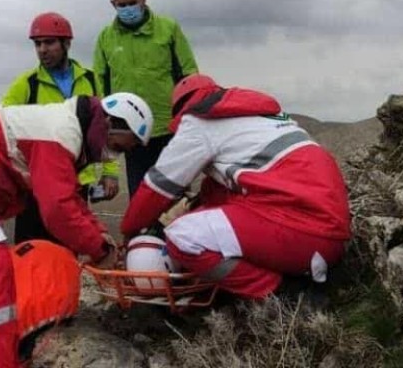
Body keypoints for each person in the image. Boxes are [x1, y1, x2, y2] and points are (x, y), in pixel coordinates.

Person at [0, 92, 153, 368]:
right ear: (111, 124)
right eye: (119, 147)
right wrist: (98, 249)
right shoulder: (61, 133)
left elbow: (71, 198)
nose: (113, 155)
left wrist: (98, 233)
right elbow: (57, 210)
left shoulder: (72, 131)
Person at [120, 75, 351, 300]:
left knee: (183, 238)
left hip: (303, 233)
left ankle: (281, 294)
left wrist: (129, 232)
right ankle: (297, 279)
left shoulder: (199, 122)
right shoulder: (268, 118)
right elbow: (220, 194)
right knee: (214, 214)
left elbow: (158, 187)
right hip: (331, 237)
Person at [2, 11, 120, 244]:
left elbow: (105, 128)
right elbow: (3, 127)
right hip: (36, 184)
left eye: (49, 42)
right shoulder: (27, 84)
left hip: (77, 180)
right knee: (33, 250)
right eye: (37, 44)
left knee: (68, 248)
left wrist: (110, 172)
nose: (42, 50)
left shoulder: (90, 79)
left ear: (67, 43)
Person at [93, 0, 198, 197]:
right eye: (122, 5)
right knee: (140, 197)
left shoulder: (168, 29)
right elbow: (100, 87)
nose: (128, 8)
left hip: (169, 130)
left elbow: (189, 75)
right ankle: (143, 233)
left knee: (175, 199)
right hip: (131, 135)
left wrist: (189, 120)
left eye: (133, 3)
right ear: (113, 4)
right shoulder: (105, 38)